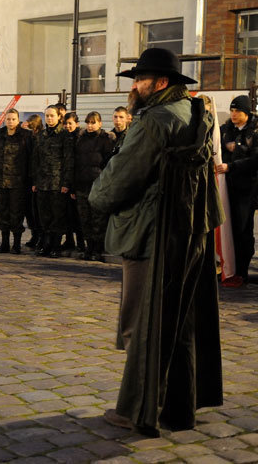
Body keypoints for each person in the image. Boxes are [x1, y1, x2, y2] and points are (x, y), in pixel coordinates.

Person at [90, 47, 223, 437]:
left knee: (143, 324)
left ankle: (137, 409)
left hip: (153, 233)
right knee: (180, 321)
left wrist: (96, 197)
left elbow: (119, 181)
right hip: (192, 230)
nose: (134, 86)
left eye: (140, 79)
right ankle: (179, 407)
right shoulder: (197, 111)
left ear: (160, 83)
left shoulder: (154, 120)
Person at [216, 95, 258, 286]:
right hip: (227, 186)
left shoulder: (254, 131)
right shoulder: (226, 130)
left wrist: (234, 161)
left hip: (247, 188)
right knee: (227, 228)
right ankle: (228, 269)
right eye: (232, 111)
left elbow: (255, 160)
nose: (233, 114)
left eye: (237, 111)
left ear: (246, 113)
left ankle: (241, 271)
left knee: (243, 229)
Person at [0, 108, 31, 254]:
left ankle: (17, 244)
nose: (10, 121)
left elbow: (31, 159)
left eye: (13, 119)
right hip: (1, 182)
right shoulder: (0, 135)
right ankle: (4, 243)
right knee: (3, 213)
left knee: (17, 214)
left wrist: (30, 180)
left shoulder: (25, 136)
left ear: (18, 120)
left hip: (18, 183)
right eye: (8, 119)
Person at [72, 111, 114, 261]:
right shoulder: (81, 139)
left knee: (98, 219)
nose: (90, 126)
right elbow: (75, 163)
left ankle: (98, 249)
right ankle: (89, 248)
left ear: (100, 123)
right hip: (82, 184)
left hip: (98, 185)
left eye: (93, 122)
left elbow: (109, 163)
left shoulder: (105, 140)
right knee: (85, 219)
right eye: (88, 122)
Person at [31, 105, 72, 258]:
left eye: (52, 116)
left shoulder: (64, 135)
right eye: (47, 116)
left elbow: (69, 160)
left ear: (58, 117)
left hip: (58, 183)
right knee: (44, 216)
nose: (49, 118)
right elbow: (36, 160)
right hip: (43, 183)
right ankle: (46, 244)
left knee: (58, 216)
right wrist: (35, 181)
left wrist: (66, 183)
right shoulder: (41, 135)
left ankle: (56, 246)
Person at [62, 112, 83, 252]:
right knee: (66, 215)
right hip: (63, 181)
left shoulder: (80, 138)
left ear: (77, 124)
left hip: (75, 181)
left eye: (71, 123)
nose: (68, 126)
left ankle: (81, 244)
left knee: (78, 216)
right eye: (66, 123)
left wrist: (73, 187)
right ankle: (69, 240)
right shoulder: (64, 137)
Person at [22, 114, 44, 250]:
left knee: (36, 210)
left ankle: (39, 236)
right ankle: (35, 235)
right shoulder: (28, 137)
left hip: (36, 178)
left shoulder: (39, 137)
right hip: (27, 177)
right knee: (29, 210)